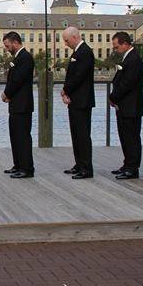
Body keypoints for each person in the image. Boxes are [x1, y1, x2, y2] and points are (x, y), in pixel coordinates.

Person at [108, 32, 143, 180]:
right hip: (124, 105)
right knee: (124, 136)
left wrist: (113, 96)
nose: (116, 50)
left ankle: (132, 168)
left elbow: (128, 83)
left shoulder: (134, 59)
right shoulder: (127, 58)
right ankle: (127, 163)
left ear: (125, 44)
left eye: (116, 47)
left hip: (131, 105)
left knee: (131, 137)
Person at [61, 27, 94, 179]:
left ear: (74, 37)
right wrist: (67, 92)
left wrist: (65, 90)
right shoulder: (77, 52)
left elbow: (79, 76)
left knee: (82, 135)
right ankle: (79, 163)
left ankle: (86, 168)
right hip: (75, 99)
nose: (65, 44)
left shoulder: (85, 52)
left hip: (82, 100)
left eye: (66, 40)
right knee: (75, 134)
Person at [1, 32, 35, 179]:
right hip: (16, 103)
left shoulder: (25, 58)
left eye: (8, 46)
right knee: (15, 135)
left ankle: (27, 168)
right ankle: (18, 164)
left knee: (22, 137)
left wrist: (6, 93)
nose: (7, 49)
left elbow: (18, 80)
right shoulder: (18, 58)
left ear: (15, 42)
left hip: (23, 104)